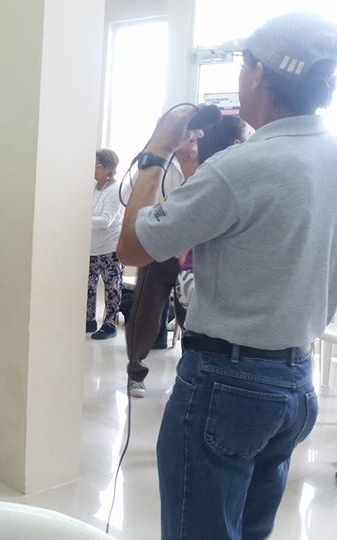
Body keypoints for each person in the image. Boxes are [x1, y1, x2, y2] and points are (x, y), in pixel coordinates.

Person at [116, 13, 337, 539]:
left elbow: (133, 247)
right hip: (296, 381)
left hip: (228, 383)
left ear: (258, 74)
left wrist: (158, 150)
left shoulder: (242, 166)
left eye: (243, 65)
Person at [123, 138, 198, 397]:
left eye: (197, 135)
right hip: (157, 251)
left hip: (192, 255)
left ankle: (190, 378)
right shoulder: (161, 161)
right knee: (145, 315)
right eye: (188, 135)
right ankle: (136, 374)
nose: (192, 141)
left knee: (192, 321)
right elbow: (128, 197)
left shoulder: (212, 163)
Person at [175, 116, 253, 328]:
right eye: (249, 137)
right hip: (201, 283)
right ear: (237, 143)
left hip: (193, 278)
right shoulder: (218, 182)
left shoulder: (206, 177)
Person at [87, 149, 123, 340]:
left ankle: (109, 326)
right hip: (92, 247)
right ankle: (89, 320)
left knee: (111, 288)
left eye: (96, 165)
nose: (92, 168)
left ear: (108, 167)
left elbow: (106, 220)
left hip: (111, 248)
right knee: (88, 287)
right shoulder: (93, 187)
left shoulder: (115, 190)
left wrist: (82, 218)